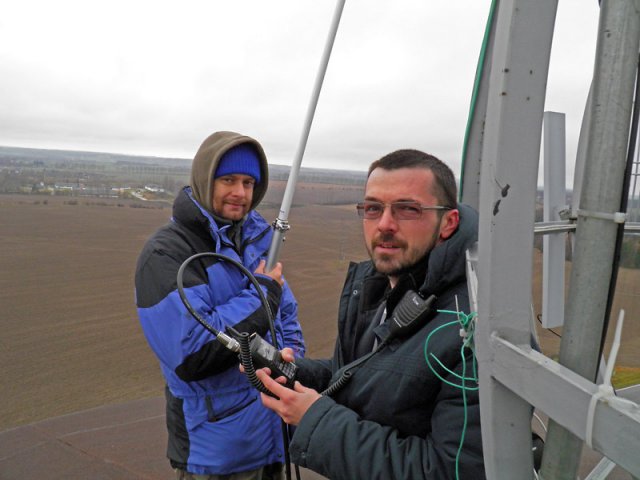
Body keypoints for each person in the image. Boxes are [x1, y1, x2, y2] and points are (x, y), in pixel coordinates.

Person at [253, 149, 485, 479]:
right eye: (373, 208)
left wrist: (315, 420)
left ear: (448, 222)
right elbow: (363, 376)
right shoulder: (377, 289)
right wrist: (294, 372)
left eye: (408, 209)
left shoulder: (473, 326)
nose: (385, 224)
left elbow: (452, 472)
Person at [134, 131, 306, 479]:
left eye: (248, 183)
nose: (240, 193)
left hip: (272, 435)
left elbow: (284, 314)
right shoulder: (167, 254)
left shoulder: (256, 241)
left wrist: (290, 363)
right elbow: (192, 353)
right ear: (205, 179)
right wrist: (261, 293)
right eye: (228, 180)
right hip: (216, 452)